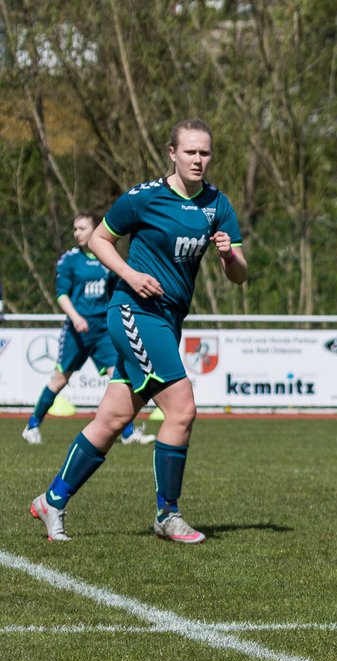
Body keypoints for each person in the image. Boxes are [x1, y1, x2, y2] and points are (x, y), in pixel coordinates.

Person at [28, 118, 246, 544]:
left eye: (205, 153)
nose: (198, 160)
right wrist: (130, 273)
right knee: (181, 409)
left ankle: (51, 500)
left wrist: (228, 258)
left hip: (168, 322)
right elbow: (100, 240)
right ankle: (167, 514)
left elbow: (239, 275)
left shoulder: (218, 205)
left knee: (111, 420)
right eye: (190, 152)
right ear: (172, 153)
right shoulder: (143, 198)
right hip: (133, 312)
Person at [22, 213, 155, 446]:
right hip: (78, 330)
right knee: (60, 379)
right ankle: (32, 426)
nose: (77, 233)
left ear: (95, 230)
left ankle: (127, 432)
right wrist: (75, 317)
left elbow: (117, 289)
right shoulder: (70, 260)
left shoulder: (107, 257)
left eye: (82, 228)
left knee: (119, 377)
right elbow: (62, 294)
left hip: (103, 330)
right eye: (75, 229)